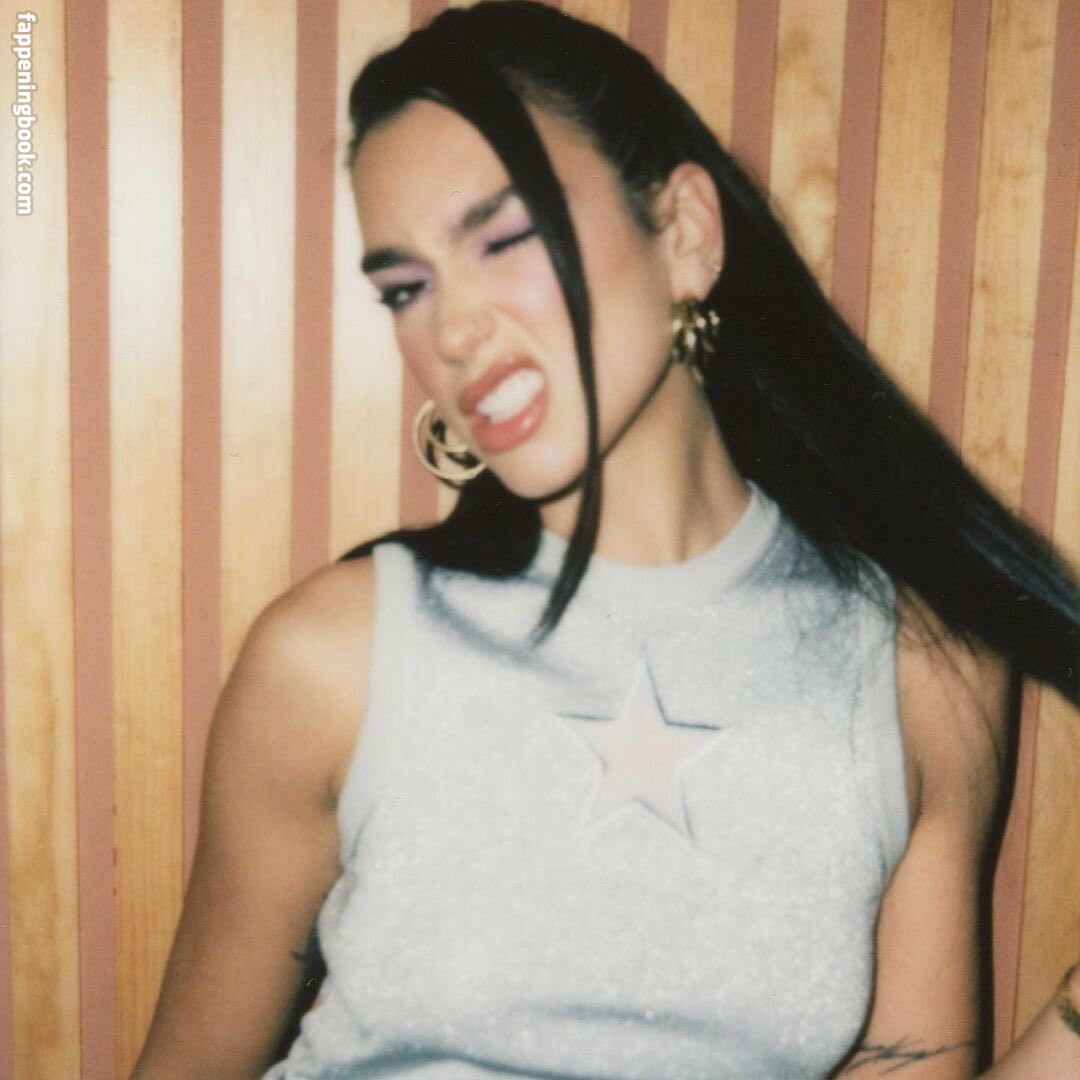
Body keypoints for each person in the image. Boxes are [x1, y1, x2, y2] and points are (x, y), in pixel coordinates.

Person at [133, 4, 1080, 1078]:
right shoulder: (333, 659)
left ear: (685, 233)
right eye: (407, 288)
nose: (451, 330)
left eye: (502, 239)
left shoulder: (924, 665)